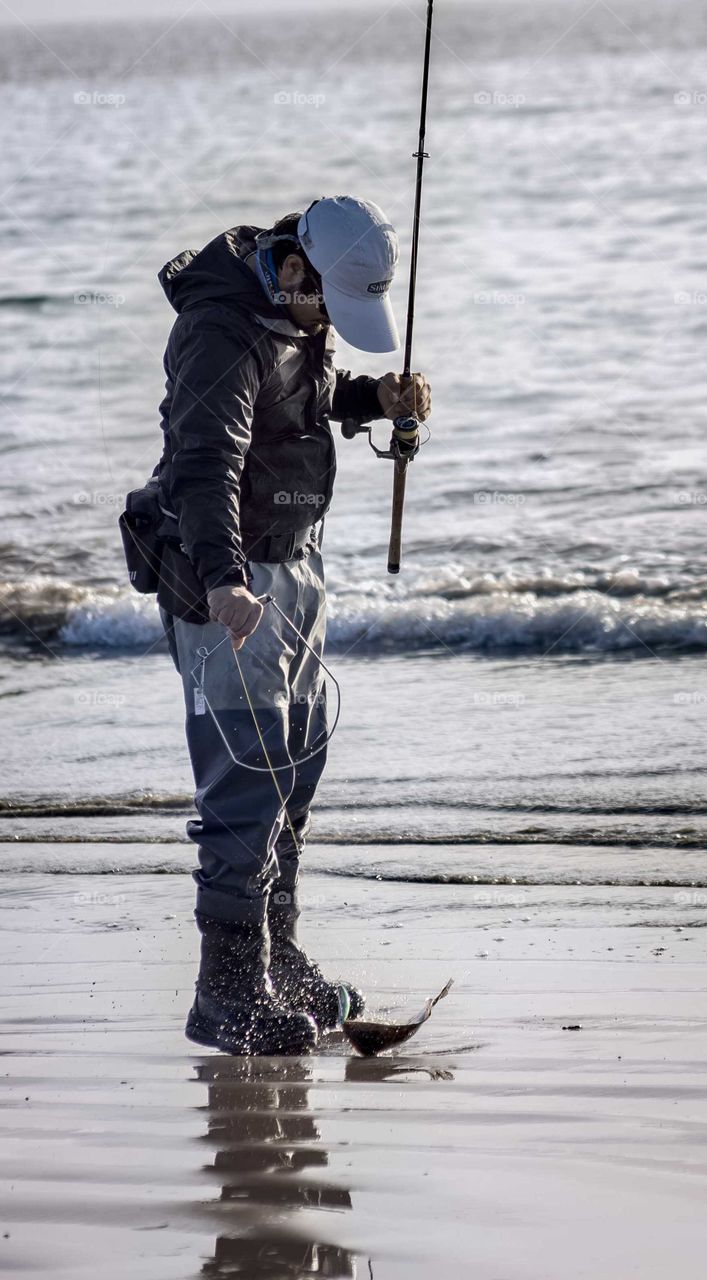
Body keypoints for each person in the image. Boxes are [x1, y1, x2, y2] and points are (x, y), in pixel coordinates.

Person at [154, 195, 431, 1054]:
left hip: (297, 564)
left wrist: (372, 397)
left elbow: (293, 404)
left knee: (295, 775)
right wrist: (224, 582)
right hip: (230, 579)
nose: (329, 321)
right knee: (248, 788)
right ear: (295, 265)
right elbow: (205, 464)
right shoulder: (219, 328)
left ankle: (274, 959)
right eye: (328, 305)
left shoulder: (292, 308)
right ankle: (226, 994)